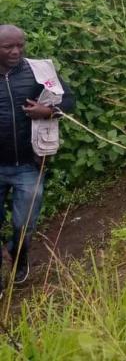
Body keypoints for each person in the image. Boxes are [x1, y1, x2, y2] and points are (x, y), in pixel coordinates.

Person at [0, 24, 75, 287]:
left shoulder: (39, 71)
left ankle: (18, 256)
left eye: (20, 44)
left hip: (29, 166)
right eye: (8, 46)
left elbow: (68, 101)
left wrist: (49, 111)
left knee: (24, 224)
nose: (16, 51)